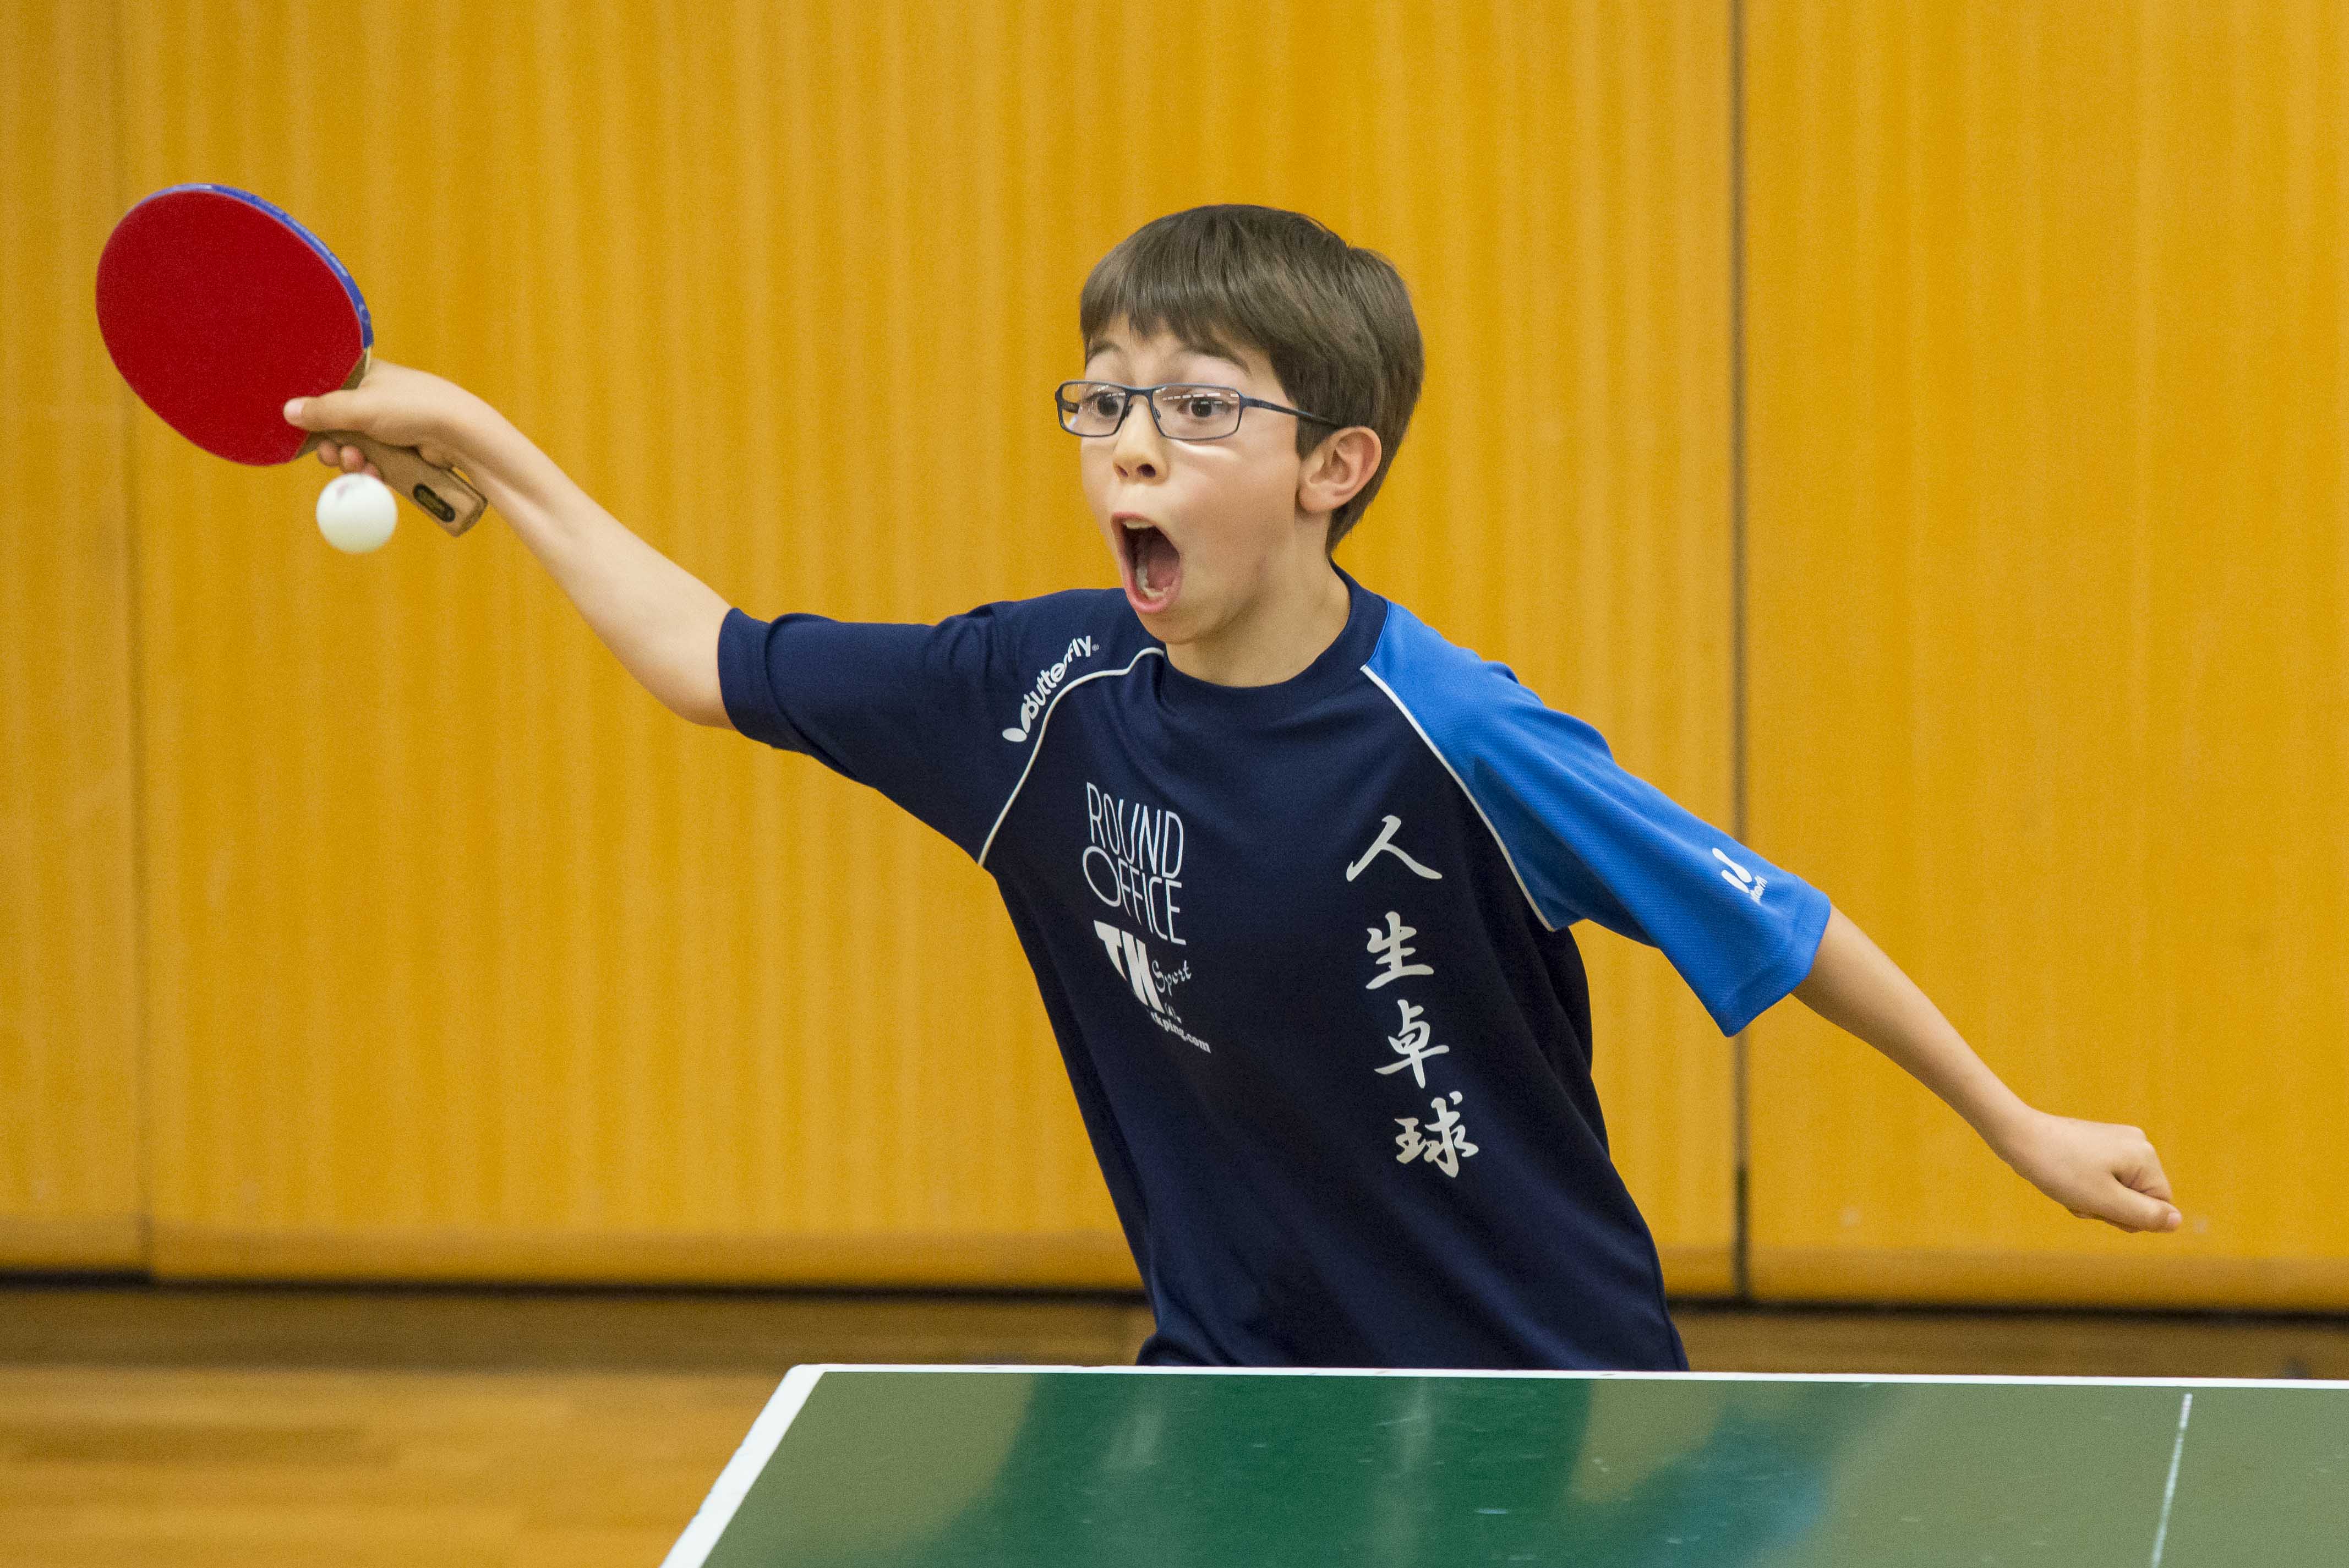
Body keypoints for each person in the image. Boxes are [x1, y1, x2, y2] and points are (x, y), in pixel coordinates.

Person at [285, 204, 2178, 1370]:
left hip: (1532, 1387)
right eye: (1103, 397)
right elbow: (705, 656)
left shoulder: (1462, 734)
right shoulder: (1034, 691)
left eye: (1198, 405)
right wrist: (484, 447)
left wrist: (2012, 1119)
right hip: (1234, 1381)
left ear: (1331, 463)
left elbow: (1770, 915)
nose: (1132, 442)